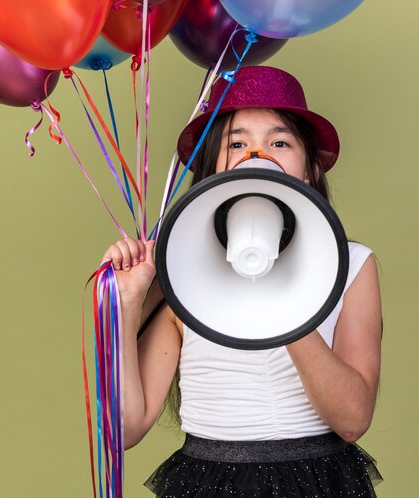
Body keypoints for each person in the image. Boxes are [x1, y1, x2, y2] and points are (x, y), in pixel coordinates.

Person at [101, 66, 383, 497]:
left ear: (309, 168)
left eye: (280, 141)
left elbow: (352, 420)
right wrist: (124, 306)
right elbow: (125, 430)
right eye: (237, 142)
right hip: (209, 481)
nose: (258, 155)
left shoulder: (353, 266)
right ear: (213, 167)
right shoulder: (181, 271)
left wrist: (284, 301)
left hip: (317, 482)